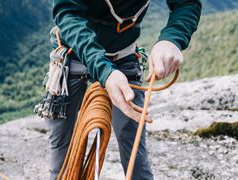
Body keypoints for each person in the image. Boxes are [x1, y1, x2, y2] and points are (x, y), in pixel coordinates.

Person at [47, 0, 202, 179]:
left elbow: (186, 2)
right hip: (73, 54)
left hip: (122, 56)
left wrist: (172, 38)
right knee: (62, 156)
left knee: (135, 152)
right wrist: (105, 71)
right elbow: (67, 12)